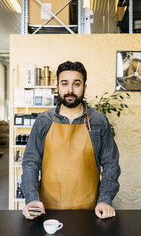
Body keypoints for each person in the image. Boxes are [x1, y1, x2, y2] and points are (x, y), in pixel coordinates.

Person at [21, 61, 120, 220]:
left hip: (91, 209)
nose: (70, 90)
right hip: (47, 209)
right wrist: (32, 198)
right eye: (65, 84)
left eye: (77, 84)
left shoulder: (98, 121)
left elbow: (111, 163)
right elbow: (30, 162)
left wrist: (105, 200)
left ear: (85, 87)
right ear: (57, 86)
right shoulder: (44, 121)